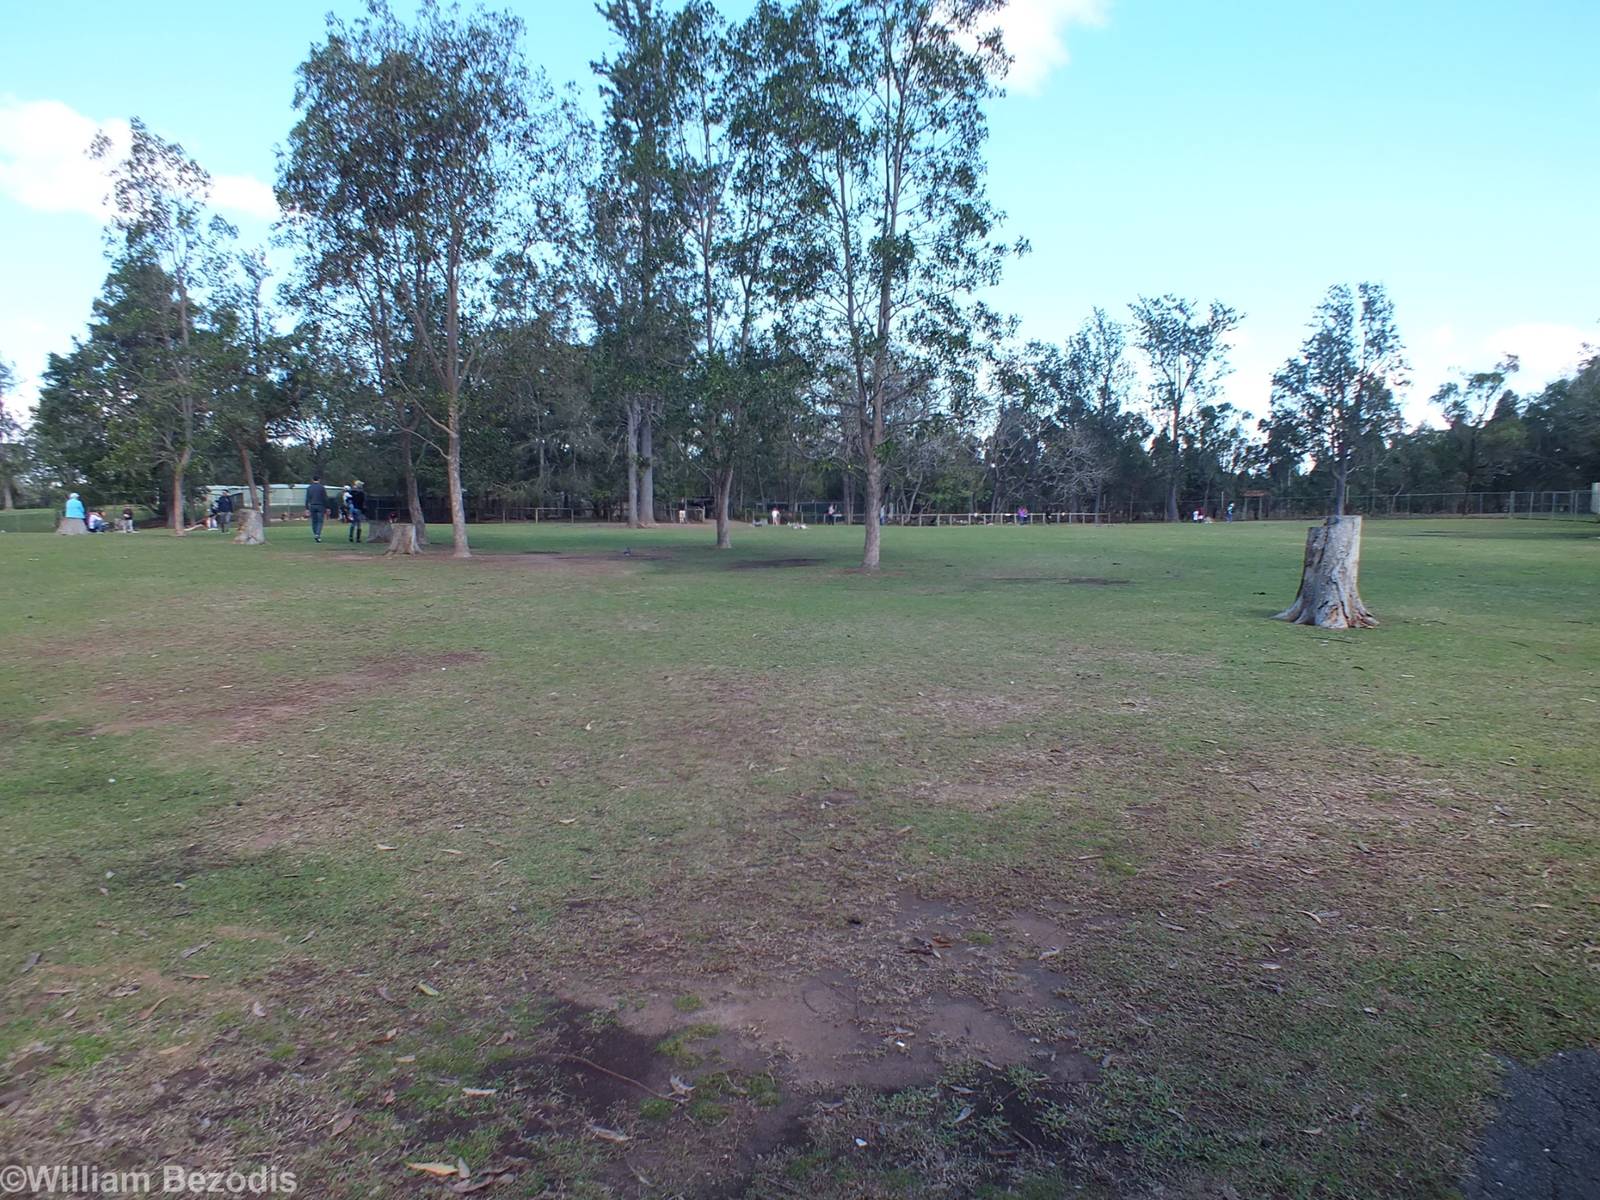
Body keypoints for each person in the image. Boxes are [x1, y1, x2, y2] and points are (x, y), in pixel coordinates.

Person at [304, 475, 328, 542]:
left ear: (312, 479)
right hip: (320, 506)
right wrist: (327, 507)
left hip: (312, 505)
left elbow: (307, 498)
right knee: (320, 521)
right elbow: (325, 498)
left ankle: (315, 534)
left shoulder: (309, 488)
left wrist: (306, 508)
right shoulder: (322, 487)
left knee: (314, 521)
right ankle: (318, 534)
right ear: (319, 479)